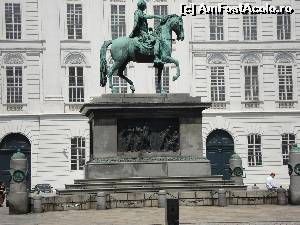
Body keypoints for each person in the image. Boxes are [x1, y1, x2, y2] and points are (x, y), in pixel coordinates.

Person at [129, 0, 163, 66]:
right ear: (142, 6)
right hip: (141, 33)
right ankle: (156, 57)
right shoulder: (138, 12)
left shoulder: (140, 12)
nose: (145, 7)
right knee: (157, 40)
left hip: (143, 32)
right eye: (145, 6)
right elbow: (145, 17)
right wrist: (156, 16)